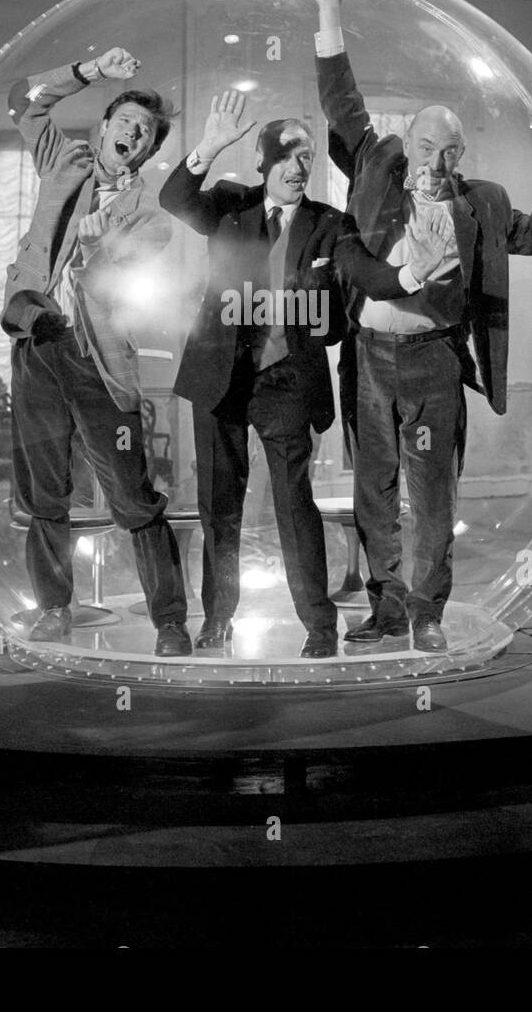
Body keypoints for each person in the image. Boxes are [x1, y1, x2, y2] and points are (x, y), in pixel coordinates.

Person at [299, 0, 532, 653]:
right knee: (374, 492)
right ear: (408, 143)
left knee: (432, 499)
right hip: (368, 359)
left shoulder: (479, 204)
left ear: (462, 155)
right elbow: (342, 100)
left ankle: (427, 615)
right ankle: (388, 609)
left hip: (432, 365)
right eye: (426, 147)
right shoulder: (374, 166)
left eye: (449, 151)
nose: (435, 160)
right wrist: (329, 9)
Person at [160, 90, 445, 659]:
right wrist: (211, 144)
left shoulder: (329, 223)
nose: (297, 166)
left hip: (288, 382)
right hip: (219, 376)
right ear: (263, 162)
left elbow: (366, 273)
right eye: (286, 154)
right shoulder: (229, 204)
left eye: (306, 156)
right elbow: (174, 199)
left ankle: (320, 627)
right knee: (221, 507)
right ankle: (217, 621)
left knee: (295, 505)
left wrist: (414, 271)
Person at [0, 46, 191, 658]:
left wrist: (96, 249)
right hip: (38, 343)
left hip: (97, 364)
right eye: (124, 121)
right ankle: (54, 610)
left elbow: (118, 279)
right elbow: (21, 100)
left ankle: (170, 622)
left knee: (133, 499)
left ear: (149, 148)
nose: (131, 132)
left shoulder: (151, 219)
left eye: (144, 130)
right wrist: (91, 73)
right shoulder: (67, 161)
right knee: (43, 495)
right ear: (103, 127)